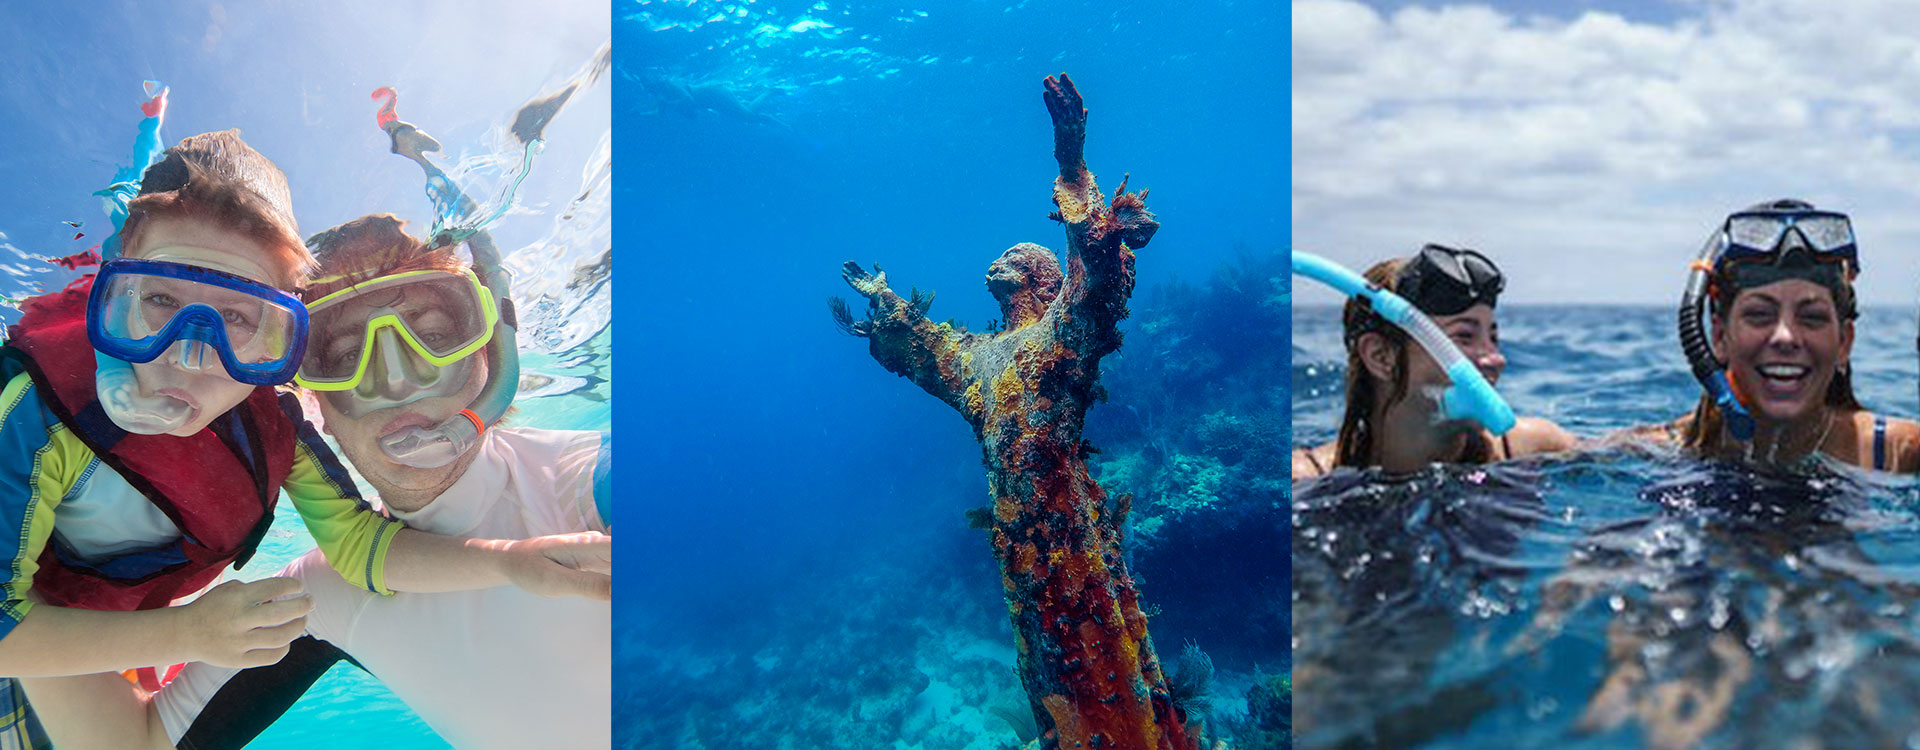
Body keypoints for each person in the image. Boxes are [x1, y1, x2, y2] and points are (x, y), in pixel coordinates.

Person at [0, 131, 607, 748]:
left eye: (234, 318)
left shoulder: (278, 425)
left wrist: (509, 562)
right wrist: (181, 635)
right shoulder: (30, 407)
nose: (188, 355)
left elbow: (361, 546)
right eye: (160, 300)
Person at [1628, 199, 1920, 470]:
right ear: (1718, 337)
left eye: (1812, 318)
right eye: (1759, 315)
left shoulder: (1899, 451)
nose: (1785, 336)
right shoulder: (1663, 448)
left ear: (1844, 342)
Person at [1291, 244, 1576, 479]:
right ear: (1381, 357)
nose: (1496, 359)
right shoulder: (1303, 480)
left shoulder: (1533, 449)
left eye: (1493, 337)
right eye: (1464, 336)